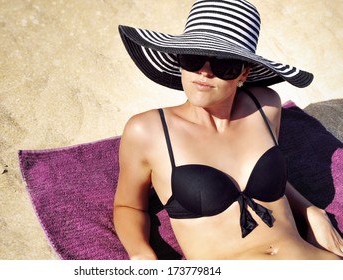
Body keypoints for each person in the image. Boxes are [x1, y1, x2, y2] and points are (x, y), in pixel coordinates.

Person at [113, 0, 343, 260]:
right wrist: (142, 256)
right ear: (179, 59)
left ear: (244, 73)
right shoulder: (149, 130)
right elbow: (127, 206)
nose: (204, 72)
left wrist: (311, 211)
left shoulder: (264, 106)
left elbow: (275, 177)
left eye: (224, 65)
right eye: (193, 58)